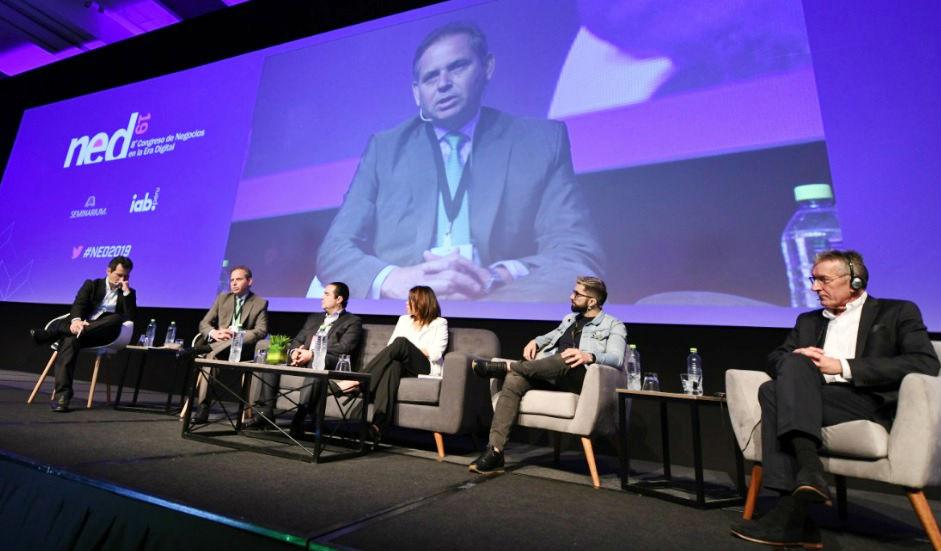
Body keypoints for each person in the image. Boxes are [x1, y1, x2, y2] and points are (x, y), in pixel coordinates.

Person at [315, 22, 602, 302]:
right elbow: (334, 250)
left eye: (457, 67)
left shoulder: (540, 141)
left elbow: (576, 254)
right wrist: (394, 280)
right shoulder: (384, 149)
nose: (443, 84)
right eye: (430, 77)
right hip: (407, 306)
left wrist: (497, 276)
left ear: (487, 67)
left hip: (496, 301)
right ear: (417, 92)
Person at [730, 250, 940, 548]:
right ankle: (808, 477)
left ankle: (793, 508)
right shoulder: (808, 321)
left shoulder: (897, 312)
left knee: (772, 392)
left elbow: (924, 363)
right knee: (783, 374)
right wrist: (798, 357)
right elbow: (775, 358)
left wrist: (842, 366)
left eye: (823, 280)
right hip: (813, 397)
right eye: (813, 280)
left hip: (865, 399)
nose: (815, 287)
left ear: (855, 281)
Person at [469, 276, 626, 473]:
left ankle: (508, 366)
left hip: (582, 379)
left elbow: (617, 358)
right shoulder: (570, 320)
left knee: (566, 357)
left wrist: (589, 355)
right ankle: (495, 451)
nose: (571, 296)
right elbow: (549, 337)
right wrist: (536, 341)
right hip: (553, 375)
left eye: (577, 294)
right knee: (514, 379)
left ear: (592, 301)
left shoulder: (613, 325)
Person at [248, 282, 363, 437]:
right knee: (273, 355)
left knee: (317, 362)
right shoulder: (314, 318)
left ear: (339, 299)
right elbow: (297, 341)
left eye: (327, 294)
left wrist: (312, 354)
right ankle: (265, 413)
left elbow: (344, 348)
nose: (322, 297)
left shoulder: (352, 321)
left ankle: (299, 419)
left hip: (331, 361)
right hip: (305, 357)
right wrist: (295, 352)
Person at [338, 286, 448, 443]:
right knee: (394, 365)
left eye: (410, 300)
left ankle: (358, 380)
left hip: (425, 367)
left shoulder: (439, 323)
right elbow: (391, 348)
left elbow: (436, 353)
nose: (406, 303)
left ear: (421, 302)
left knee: (402, 342)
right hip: (402, 365)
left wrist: (409, 349)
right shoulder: (404, 320)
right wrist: (410, 350)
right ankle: (377, 426)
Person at [30, 256, 137, 412]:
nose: (122, 279)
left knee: (115, 318)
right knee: (69, 342)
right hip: (81, 332)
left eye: (126, 276)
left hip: (103, 335)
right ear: (108, 271)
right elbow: (78, 305)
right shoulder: (92, 285)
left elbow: (130, 317)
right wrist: (76, 322)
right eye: (119, 275)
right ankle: (62, 398)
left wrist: (126, 292)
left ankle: (54, 333)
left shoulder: (128, 293)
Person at [190, 265, 269, 423]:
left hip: (243, 350)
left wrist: (237, 336)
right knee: (212, 357)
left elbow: (261, 331)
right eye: (232, 280)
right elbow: (204, 323)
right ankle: (203, 407)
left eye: (238, 279)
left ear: (249, 281)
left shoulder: (259, 303)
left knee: (211, 352)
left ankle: (204, 348)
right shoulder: (222, 298)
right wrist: (214, 333)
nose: (234, 283)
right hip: (220, 348)